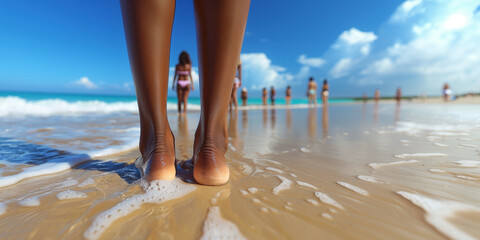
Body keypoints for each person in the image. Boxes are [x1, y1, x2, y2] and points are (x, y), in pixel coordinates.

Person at [120, 0, 250, 186]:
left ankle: (157, 149)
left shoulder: (181, 66)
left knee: (180, 102)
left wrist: (175, 84)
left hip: (180, 82)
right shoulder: (187, 66)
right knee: (186, 102)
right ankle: (211, 148)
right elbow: (188, 75)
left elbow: (176, 75)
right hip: (186, 82)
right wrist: (192, 84)